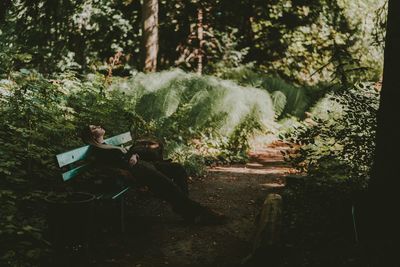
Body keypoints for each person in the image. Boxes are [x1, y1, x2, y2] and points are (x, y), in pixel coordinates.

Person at [80, 124, 227, 225]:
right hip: (137, 171)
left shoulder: (105, 144)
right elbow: (115, 165)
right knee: (167, 185)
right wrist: (132, 159)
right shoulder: (98, 150)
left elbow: (129, 154)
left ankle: (185, 209)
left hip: (142, 164)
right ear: (91, 135)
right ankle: (197, 213)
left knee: (178, 169)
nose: (98, 126)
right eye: (94, 127)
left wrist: (135, 155)